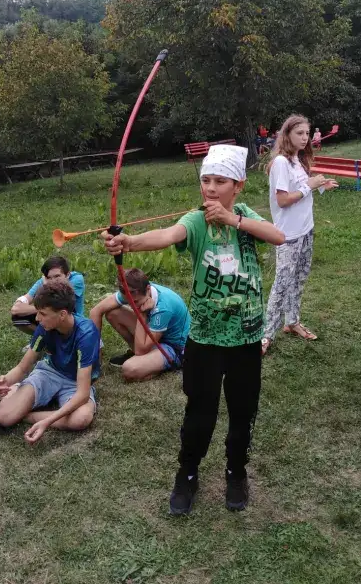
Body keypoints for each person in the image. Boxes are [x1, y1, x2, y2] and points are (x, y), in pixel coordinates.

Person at [101, 144, 286, 516]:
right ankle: (187, 474)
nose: (211, 188)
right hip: (204, 337)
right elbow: (168, 235)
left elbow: (278, 236)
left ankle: (236, 472)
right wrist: (129, 243)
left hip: (246, 337)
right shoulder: (196, 220)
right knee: (200, 411)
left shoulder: (245, 217)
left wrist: (233, 220)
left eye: (221, 181)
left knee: (242, 411)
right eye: (206, 180)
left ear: (239, 185)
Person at [0, 280, 100, 444]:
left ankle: (26, 414)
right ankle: (16, 391)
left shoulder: (86, 333)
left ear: (62, 314)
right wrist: (4, 381)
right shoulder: (45, 328)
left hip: (74, 382)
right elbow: (23, 367)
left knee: (81, 418)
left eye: (43, 314)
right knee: (3, 418)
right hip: (48, 373)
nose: (37, 318)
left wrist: (47, 421)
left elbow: (82, 394)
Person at [261, 114, 338, 354]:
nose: (305, 138)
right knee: (282, 283)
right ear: (287, 135)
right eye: (300, 133)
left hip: (306, 229)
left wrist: (320, 186)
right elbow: (283, 200)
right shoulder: (281, 163)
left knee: (299, 279)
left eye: (307, 133)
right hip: (288, 235)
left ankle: (292, 322)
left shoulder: (298, 159)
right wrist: (309, 186)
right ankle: (266, 335)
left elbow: (303, 190)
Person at [88, 267, 190, 381]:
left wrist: (142, 314)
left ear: (148, 289)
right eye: (129, 302)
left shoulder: (163, 307)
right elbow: (95, 312)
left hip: (174, 347)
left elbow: (141, 350)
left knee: (129, 369)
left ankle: (163, 364)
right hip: (153, 335)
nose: (132, 306)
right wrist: (95, 359)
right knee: (113, 313)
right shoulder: (133, 290)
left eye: (136, 302)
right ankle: (143, 358)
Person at [10, 255, 86, 335]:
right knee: (17, 318)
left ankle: (52, 337)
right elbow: (16, 309)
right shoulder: (44, 280)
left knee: (52, 312)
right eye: (49, 277)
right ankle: (46, 337)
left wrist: (46, 287)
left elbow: (57, 304)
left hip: (72, 323)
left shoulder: (77, 279)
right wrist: (42, 309)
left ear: (67, 275)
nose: (53, 281)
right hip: (51, 317)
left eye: (57, 276)